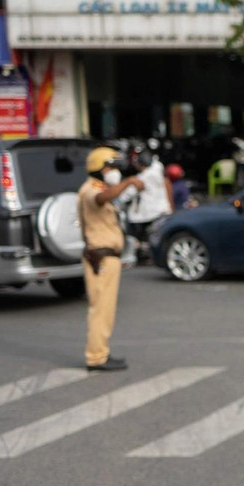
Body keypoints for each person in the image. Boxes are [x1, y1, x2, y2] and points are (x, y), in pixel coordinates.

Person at [79, 147, 144, 372]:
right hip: (101, 258)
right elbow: (100, 198)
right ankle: (96, 357)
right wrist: (127, 183)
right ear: (99, 168)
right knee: (100, 310)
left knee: (106, 310)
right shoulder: (90, 190)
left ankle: (100, 353)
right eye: (110, 167)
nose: (114, 171)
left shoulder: (102, 188)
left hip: (109, 258)